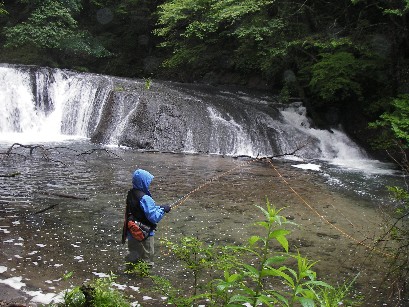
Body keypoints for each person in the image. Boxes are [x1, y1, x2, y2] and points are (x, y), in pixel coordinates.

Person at [122, 169, 171, 266]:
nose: (149, 184)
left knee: (133, 259)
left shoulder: (131, 194)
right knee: (146, 261)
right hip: (144, 235)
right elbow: (154, 217)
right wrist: (163, 210)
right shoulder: (145, 198)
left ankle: (130, 277)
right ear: (143, 182)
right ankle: (144, 280)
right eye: (148, 182)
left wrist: (159, 207)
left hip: (132, 233)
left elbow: (141, 210)